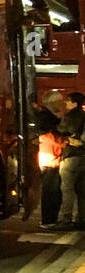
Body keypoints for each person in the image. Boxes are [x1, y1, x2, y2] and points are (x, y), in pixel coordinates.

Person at [54, 92, 85, 229]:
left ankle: (66, 219)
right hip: (83, 156)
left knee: (67, 188)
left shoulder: (70, 116)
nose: (66, 103)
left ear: (74, 103)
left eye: (68, 101)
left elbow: (61, 130)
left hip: (71, 156)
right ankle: (81, 219)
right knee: (82, 190)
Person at [36, 92, 67, 226]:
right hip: (50, 158)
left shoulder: (47, 116)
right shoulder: (46, 118)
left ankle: (51, 219)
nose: (62, 105)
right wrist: (64, 141)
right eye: (60, 102)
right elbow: (49, 136)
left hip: (52, 157)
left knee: (54, 191)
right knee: (51, 191)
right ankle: (49, 220)